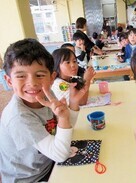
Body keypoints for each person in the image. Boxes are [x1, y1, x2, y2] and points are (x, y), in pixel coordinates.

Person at [0, 38, 86, 182]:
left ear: (52, 77)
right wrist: (64, 119)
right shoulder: (18, 117)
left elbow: (66, 126)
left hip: (50, 164)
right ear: (9, 80)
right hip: (32, 178)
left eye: (39, 75)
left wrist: (74, 104)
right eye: (21, 76)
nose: (32, 83)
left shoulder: (45, 92)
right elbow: (59, 154)